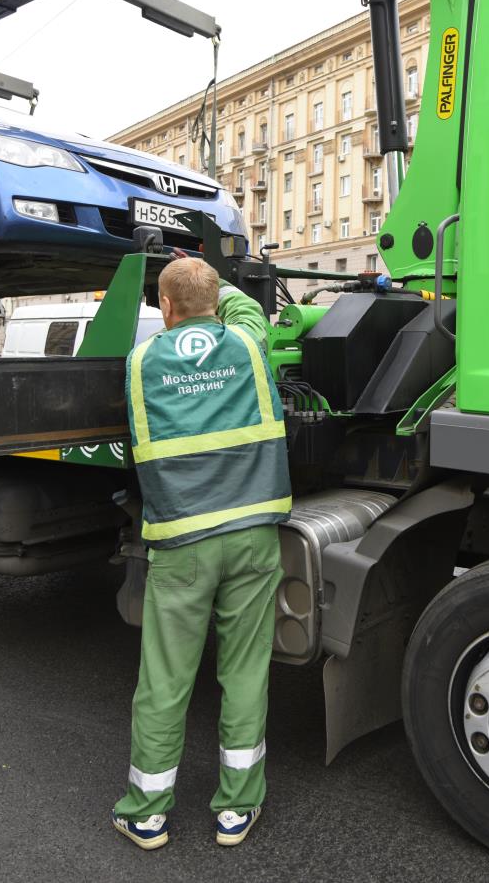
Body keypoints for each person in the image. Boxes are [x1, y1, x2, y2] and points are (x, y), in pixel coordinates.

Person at [111, 257, 290, 851]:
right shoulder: (247, 341)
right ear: (216, 299)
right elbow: (245, 308)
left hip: (184, 542)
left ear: (163, 308)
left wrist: (181, 288)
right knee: (243, 672)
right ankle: (237, 809)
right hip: (253, 535)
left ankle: (147, 814)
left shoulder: (141, 363)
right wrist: (212, 275)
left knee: (164, 681)